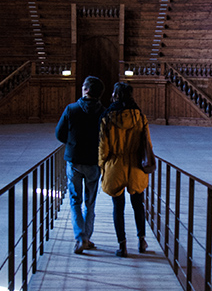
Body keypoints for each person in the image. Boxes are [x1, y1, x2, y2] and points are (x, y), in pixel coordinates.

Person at [98, 81, 153, 257]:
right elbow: (147, 144)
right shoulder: (140, 117)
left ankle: (122, 246)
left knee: (118, 207)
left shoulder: (107, 118)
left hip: (115, 166)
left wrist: (102, 166)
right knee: (138, 205)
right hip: (136, 166)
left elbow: (103, 149)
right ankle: (142, 240)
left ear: (115, 95)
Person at [55, 76, 105, 254]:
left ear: (85, 90)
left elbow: (59, 134)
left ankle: (80, 237)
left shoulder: (71, 109)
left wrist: (72, 143)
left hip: (75, 160)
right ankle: (87, 237)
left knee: (75, 200)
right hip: (93, 162)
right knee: (90, 202)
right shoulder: (104, 112)